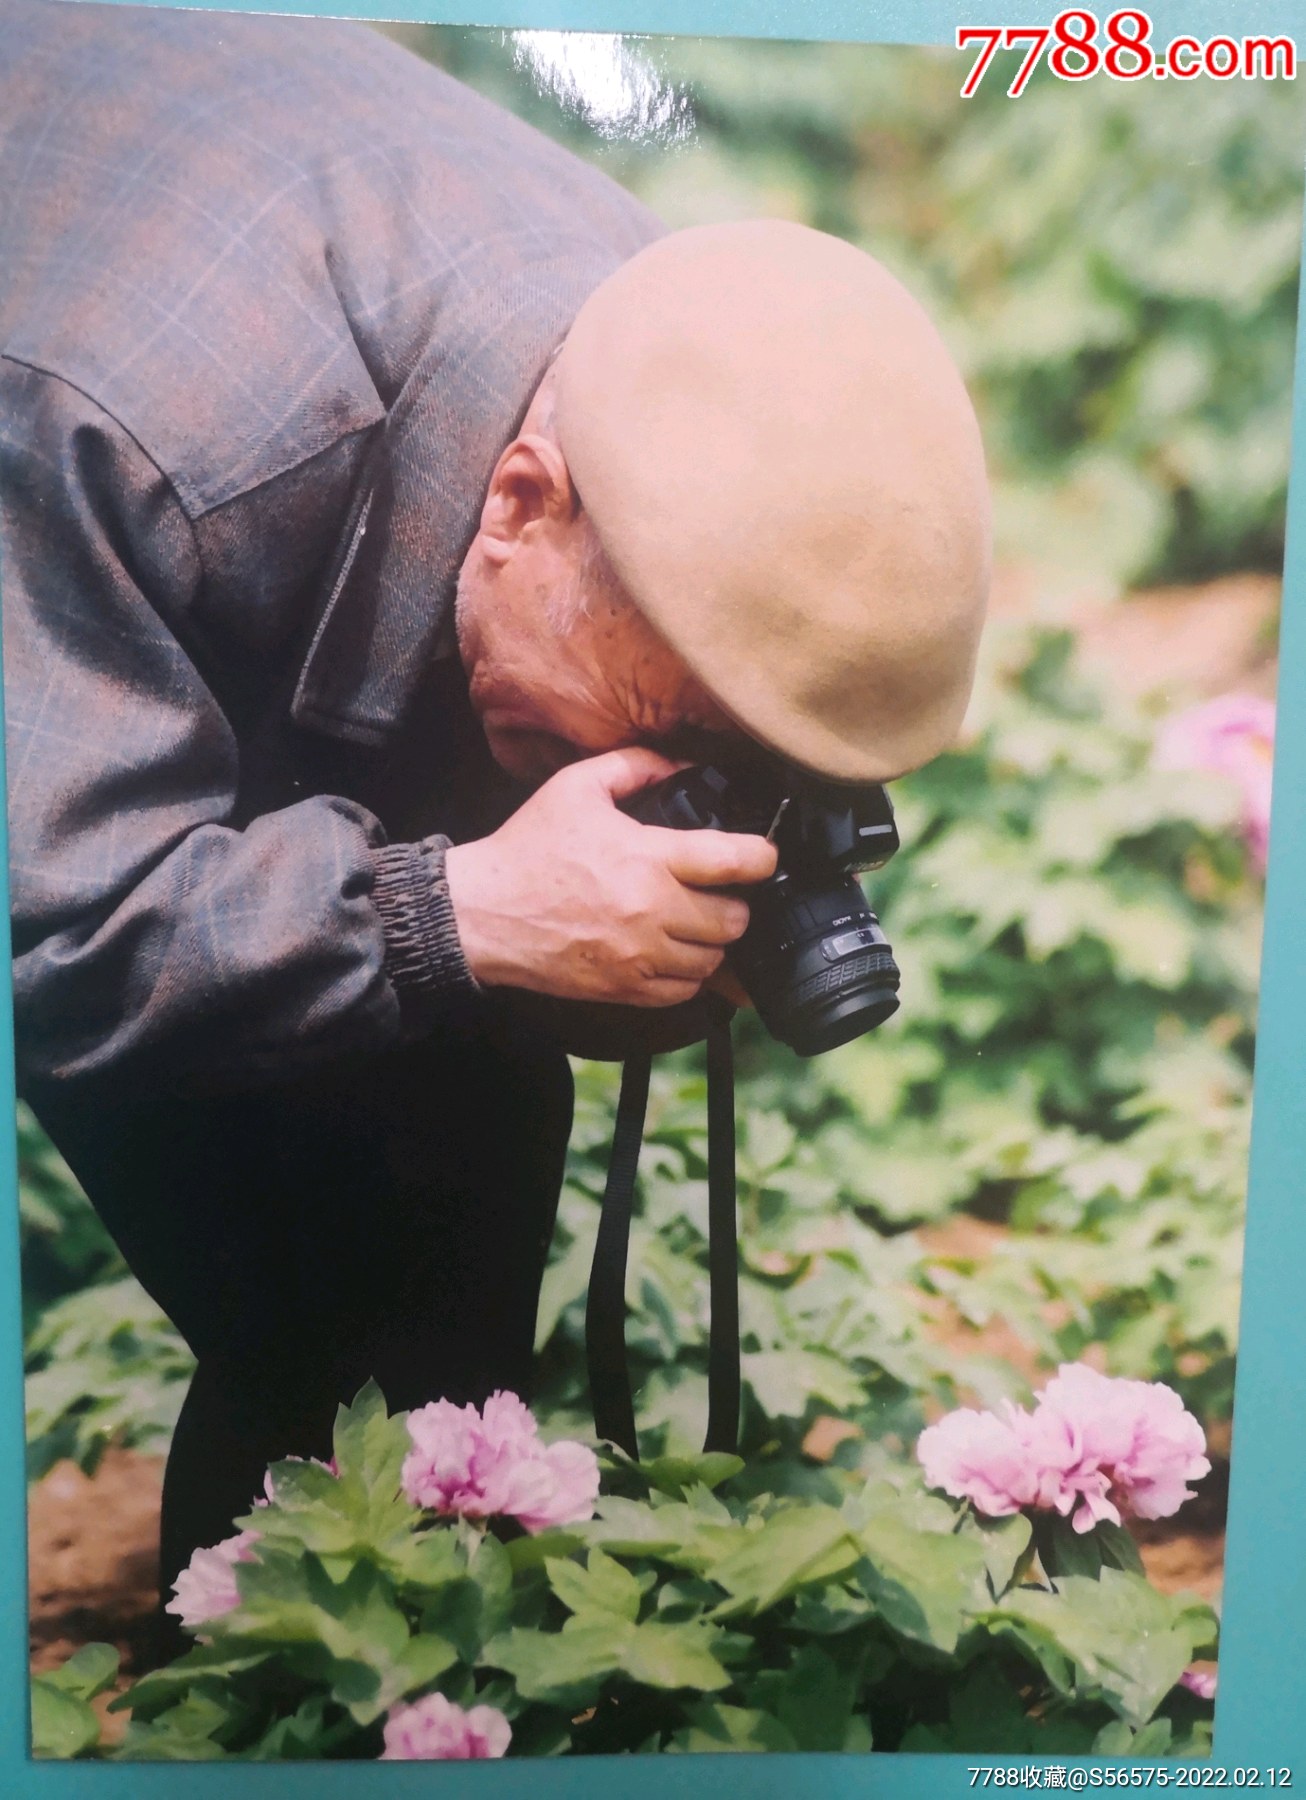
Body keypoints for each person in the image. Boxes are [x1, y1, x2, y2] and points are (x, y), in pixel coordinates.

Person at [0, 0, 990, 1637]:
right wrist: (453, 913)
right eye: (680, 735)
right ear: (520, 501)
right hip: (76, 382)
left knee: (405, 1309)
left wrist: (662, 921)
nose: (690, 783)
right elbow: (44, 931)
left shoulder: (671, 396)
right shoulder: (109, 436)